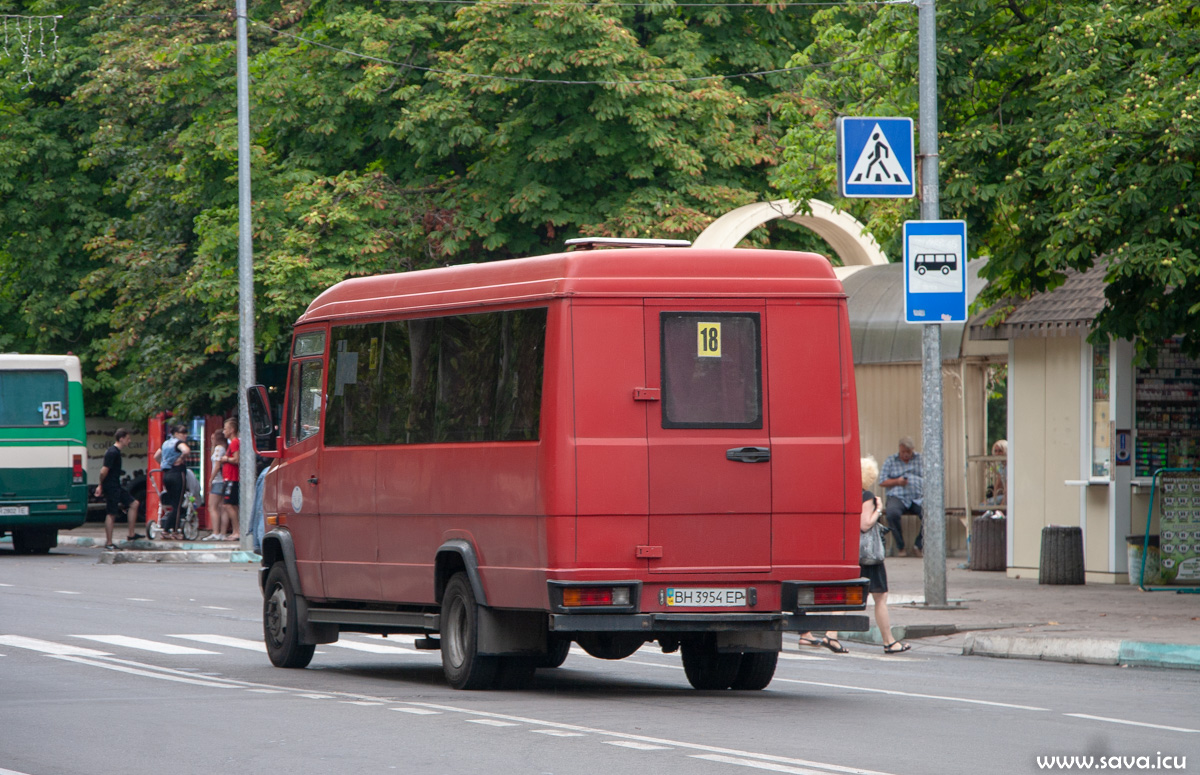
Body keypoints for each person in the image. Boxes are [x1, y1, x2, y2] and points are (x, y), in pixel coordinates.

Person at [859, 455, 910, 654]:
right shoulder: (867, 496)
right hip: (869, 555)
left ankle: (831, 635)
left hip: (854, 553)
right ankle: (889, 641)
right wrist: (879, 509)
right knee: (880, 596)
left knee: (849, 593)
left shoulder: (849, 493)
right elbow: (865, 525)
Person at [95, 428, 141, 551]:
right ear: (121, 439)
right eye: (128, 438)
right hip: (111, 486)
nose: (129, 441)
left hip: (116, 485)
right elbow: (103, 471)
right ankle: (109, 542)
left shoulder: (115, 452)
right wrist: (100, 485)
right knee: (111, 513)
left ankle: (131, 534)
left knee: (134, 504)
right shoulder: (112, 452)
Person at [878, 436, 924, 557]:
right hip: (897, 496)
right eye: (903, 452)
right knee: (892, 513)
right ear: (899, 449)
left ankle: (918, 545)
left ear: (913, 449)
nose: (906, 455)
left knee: (930, 514)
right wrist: (897, 481)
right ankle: (901, 547)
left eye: (908, 452)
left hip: (917, 497)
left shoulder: (921, 459)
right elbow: (882, 481)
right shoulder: (891, 460)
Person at [156, 424, 190, 540]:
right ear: (175, 433)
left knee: (172, 504)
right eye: (182, 432)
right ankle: (173, 531)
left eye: (186, 433)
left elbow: (156, 456)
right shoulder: (178, 443)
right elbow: (186, 451)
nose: (185, 435)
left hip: (167, 474)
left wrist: (164, 464)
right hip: (177, 474)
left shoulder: (165, 443)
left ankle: (167, 530)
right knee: (178, 505)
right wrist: (180, 459)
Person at [218, 417, 241, 542]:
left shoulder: (234, 442)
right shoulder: (233, 443)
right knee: (232, 505)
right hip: (229, 477)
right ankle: (235, 530)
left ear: (231, 430)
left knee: (228, 505)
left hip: (232, 477)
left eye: (225, 429)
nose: (223, 431)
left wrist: (225, 459)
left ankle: (237, 531)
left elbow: (236, 459)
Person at [203, 428, 228, 541]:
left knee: (212, 507)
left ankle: (216, 532)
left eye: (213, 437)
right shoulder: (223, 448)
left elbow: (217, 465)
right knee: (223, 507)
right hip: (223, 480)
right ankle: (222, 533)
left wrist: (210, 479)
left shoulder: (218, 448)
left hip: (217, 480)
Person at [987, 439, 1008, 506]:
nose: (997, 453)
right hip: (1005, 496)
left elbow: (1008, 487)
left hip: (1011, 497)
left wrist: (1002, 504)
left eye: (1000, 451)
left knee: (985, 506)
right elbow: (998, 484)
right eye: (995, 451)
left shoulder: (1009, 466)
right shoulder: (1001, 466)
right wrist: (994, 498)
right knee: (984, 504)